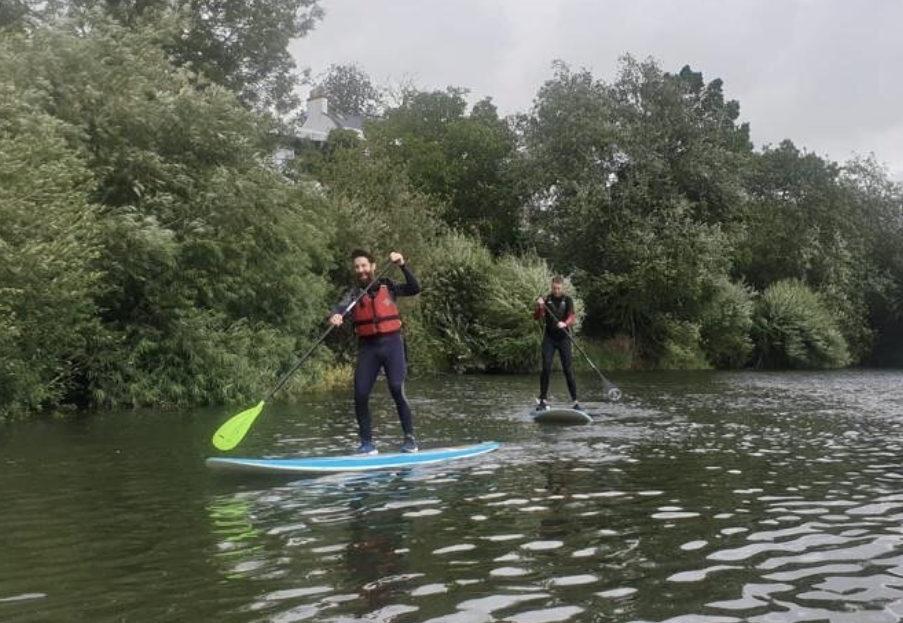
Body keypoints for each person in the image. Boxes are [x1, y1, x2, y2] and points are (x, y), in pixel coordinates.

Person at [330, 249, 421, 455]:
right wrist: (335, 316)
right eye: (356, 267)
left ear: (372, 266)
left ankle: (410, 440)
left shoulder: (388, 285)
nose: (360, 270)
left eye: (363, 265)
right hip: (368, 347)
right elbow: (339, 308)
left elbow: (414, 288)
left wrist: (402, 265)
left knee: (396, 388)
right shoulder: (354, 294)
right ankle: (367, 444)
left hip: (392, 344)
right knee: (360, 394)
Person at [533, 276, 579, 411]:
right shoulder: (546, 299)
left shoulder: (568, 300)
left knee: (568, 370)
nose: (556, 291)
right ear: (551, 286)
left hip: (564, 338)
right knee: (546, 367)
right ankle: (543, 400)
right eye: (554, 288)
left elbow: (572, 316)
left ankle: (575, 402)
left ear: (562, 287)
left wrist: (565, 323)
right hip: (549, 338)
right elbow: (537, 317)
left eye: (558, 288)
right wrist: (540, 306)